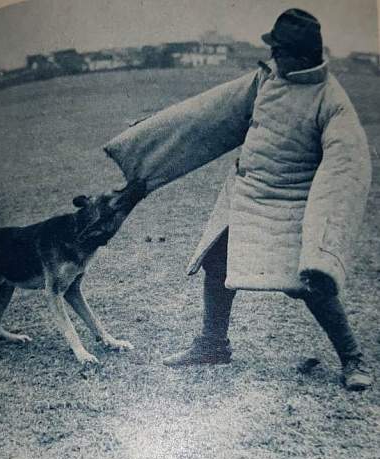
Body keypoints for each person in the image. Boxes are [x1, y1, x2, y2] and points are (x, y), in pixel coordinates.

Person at [104, 9, 372, 390]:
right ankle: (213, 345)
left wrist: (323, 252)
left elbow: (345, 173)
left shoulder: (332, 102)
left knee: (309, 284)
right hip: (244, 195)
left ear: (301, 55)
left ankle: (353, 359)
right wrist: (145, 143)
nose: (273, 56)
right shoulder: (265, 80)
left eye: (279, 50)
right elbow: (204, 117)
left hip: (289, 205)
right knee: (217, 263)